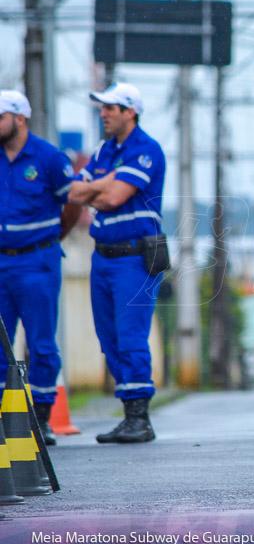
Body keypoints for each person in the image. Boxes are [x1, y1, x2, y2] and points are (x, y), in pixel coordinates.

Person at [68, 82, 166, 444]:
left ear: (131, 112)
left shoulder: (146, 149)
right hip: (104, 257)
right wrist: (103, 181)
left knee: (130, 337)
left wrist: (100, 184)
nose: (103, 113)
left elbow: (111, 199)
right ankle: (128, 414)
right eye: (102, 107)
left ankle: (140, 417)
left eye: (111, 108)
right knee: (108, 339)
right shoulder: (105, 150)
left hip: (134, 258)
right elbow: (74, 192)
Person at [0, 90, 81, 446]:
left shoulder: (49, 158)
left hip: (37, 261)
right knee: (1, 345)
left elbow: (73, 203)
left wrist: (52, 238)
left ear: (20, 118)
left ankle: (43, 417)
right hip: (1, 261)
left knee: (41, 344)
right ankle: (6, 420)